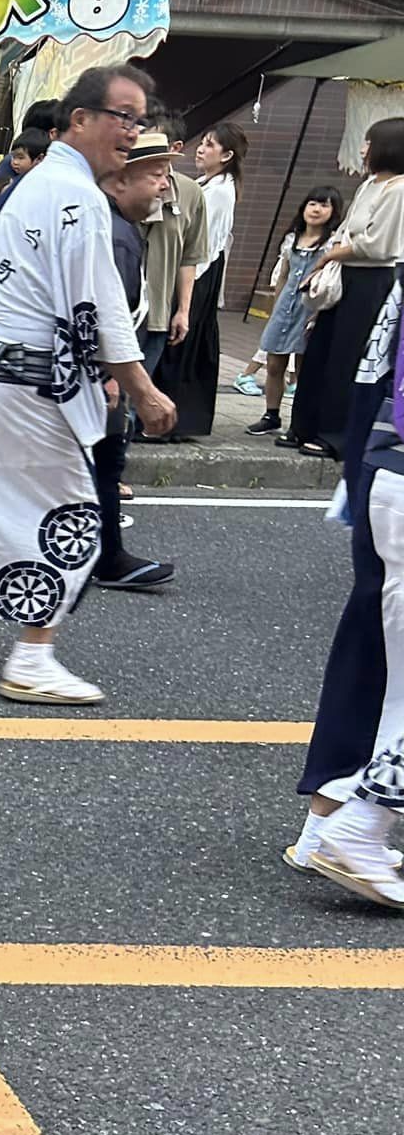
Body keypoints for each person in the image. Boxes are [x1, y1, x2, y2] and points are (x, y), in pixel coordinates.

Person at [0, 65, 177, 703]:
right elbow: (98, 308)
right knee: (72, 515)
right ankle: (32, 656)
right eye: (124, 117)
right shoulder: (76, 196)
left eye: (139, 120)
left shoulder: (30, 185)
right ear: (80, 119)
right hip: (36, 388)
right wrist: (141, 388)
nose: (133, 132)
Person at [288, 272, 404, 901]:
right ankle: (360, 825)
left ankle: (329, 821)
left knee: (375, 661)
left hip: (386, 466)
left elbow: (372, 371)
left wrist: (356, 476)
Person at [94, 130, 184, 592]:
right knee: (103, 462)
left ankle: (99, 555)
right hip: (93, 376)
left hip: (92, 374)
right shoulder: (116, 236)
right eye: (156, 175)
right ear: (119, 180)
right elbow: (101, 316)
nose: (165, 185)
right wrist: (114, 378)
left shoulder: (117, 228)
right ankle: (104, 558)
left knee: (97, 465)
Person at [285, 117, 404, 465]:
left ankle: (334, 435)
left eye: (369, 142)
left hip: (372, 281)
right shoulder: (370, 184)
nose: (363, 149)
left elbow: (377, 245)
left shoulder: (398, 190)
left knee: (347, 357)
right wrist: (335, 252)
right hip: (346, 273)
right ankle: (304, 426)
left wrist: (328, 257)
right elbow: (347, 231)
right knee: (320, 350)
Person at [149, 119, 244, 440]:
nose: (201, 150)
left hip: (199, 273)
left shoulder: (220, 191)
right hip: (194, 271)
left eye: (210, 145)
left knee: (182, 347)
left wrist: (184, 295)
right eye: (202, 142)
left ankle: (174, 421)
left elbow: (206, 245)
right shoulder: (206, 183)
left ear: (227, 155)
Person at [242, 188, 346, 435]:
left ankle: (301, 422)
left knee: (304, 369)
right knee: (274, 364)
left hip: (310, 310)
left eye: (324, 205)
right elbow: (284, 276)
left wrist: (319, 313)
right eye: (312, 203)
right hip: (285, 308)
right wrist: (276, 306)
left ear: (334, 212)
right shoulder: (292, 239)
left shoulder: (332, 243)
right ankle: (271, 415)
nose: (316, 209)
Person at [132, 109, 208, 397]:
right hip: (120, 311)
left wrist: (183, 311)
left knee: (137, 397)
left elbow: (189, 258)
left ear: (175, 148)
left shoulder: (190, 193)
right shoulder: (119, 185)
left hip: (157, 313)